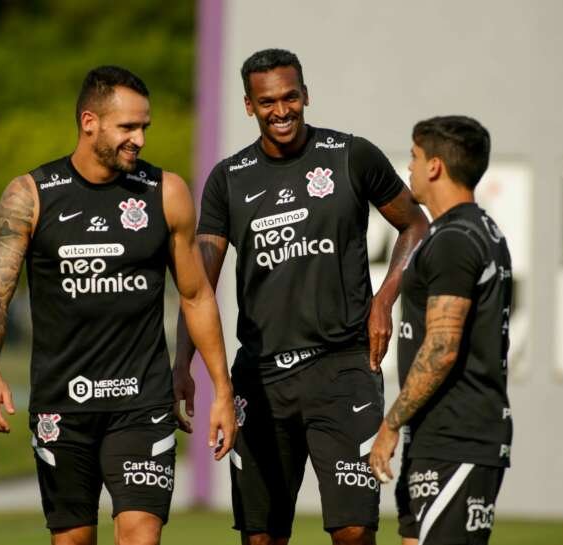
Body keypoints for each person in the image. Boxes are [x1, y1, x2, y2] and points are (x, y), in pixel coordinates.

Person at [174, 49, 428, 545]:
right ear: (250, 106)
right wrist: (183, 363)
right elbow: (196, 286)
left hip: (344, 369)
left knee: (354, 531)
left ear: (306, 95)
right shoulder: (228, 179)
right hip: (262, 377)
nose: (282, 110)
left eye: (291, 97)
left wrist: (384, 298)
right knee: (261, 536)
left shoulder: (352, 156)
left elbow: (416, 224)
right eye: (267, 101)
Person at [0, 65, 236, 545]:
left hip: (141, 402)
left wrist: (219, 386)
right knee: (72, 539)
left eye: (144, 128)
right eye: (127, 127)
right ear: (89, 121)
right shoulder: (29, 195)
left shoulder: (166, 193)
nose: (138, 138)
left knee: (141, 534)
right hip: (62, 405)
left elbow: (196, 295)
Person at [368, 116, 513, 545]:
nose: (408, 168)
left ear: (435, 166)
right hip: (434, 436)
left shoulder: (455, 240)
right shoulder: (474, 230)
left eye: (413, 157)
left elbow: (443, 346)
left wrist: (390, 424)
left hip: (459, 438)